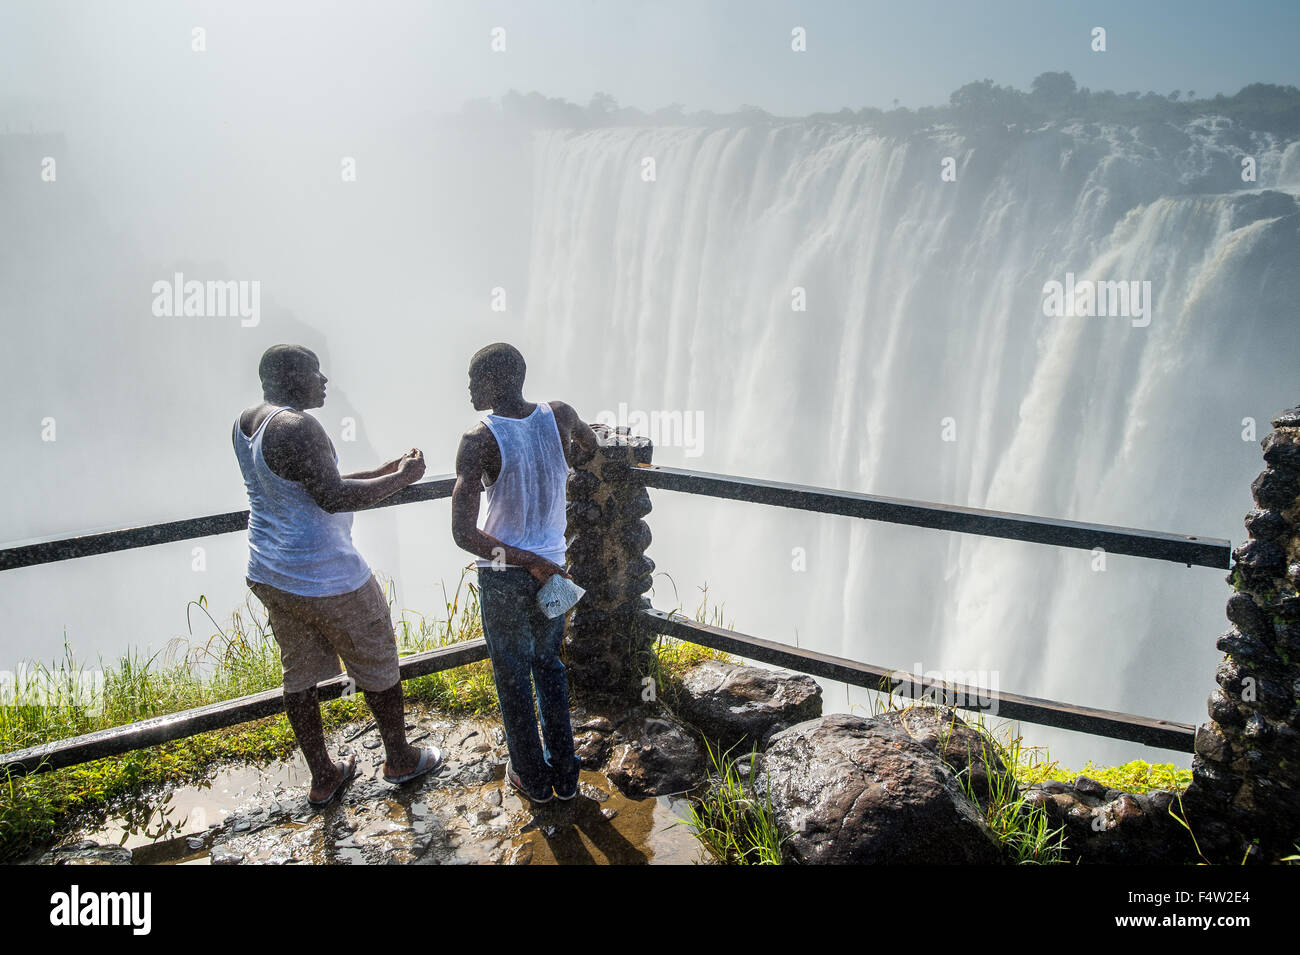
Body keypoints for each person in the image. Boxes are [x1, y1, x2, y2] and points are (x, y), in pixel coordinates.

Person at [233, 344, 440, 808]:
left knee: (299, 674)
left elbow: (309, 482)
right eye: (314, 371)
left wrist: (387, 468)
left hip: (271, 571)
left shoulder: (249, 421)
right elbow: (332, 496)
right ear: (288, 376)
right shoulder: (298, 426)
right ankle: (400, 758)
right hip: (325, 576)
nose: (324, 380)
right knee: (377, 659)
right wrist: (403, 479)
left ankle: (324, 775)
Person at [451, 342, 600, 803]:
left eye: (475, 379)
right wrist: (565, 460)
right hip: (554, 568)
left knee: (513, 678)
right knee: (549, 667)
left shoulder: (479, 439)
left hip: (506, 575)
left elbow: (464, 533)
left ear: (496, 381)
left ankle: (533, 781)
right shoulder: (558, 415)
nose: (470, 387)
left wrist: (526, 561)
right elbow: (589, 446)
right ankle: (567, 776)